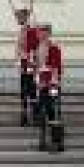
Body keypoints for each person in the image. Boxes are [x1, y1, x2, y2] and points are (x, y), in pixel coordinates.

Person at [35, 25, 64, 153]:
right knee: (42, 113)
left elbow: (56, 68)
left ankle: (57, 142)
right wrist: (38, 80)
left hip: (52, 86)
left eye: (43, 33)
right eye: (40, 33)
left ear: (48, 34)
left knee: (54, 113)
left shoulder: (54, 48)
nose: (41, 35)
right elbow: (37, 67)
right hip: (41, 85)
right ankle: (42, 141)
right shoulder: (38, 49)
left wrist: (53, 84)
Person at [14, 7, 41, 126]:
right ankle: (24, 114)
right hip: (24, 64)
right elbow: (19, 47)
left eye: (19, 17)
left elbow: (34, 47)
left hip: (30, 64)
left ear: (25, 17)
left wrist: (28, 57)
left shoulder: (32, 30)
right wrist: (19, 58)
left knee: (31, 90)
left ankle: (35, 115)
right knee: (24, 90)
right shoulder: (23, 30)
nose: (17, 19)